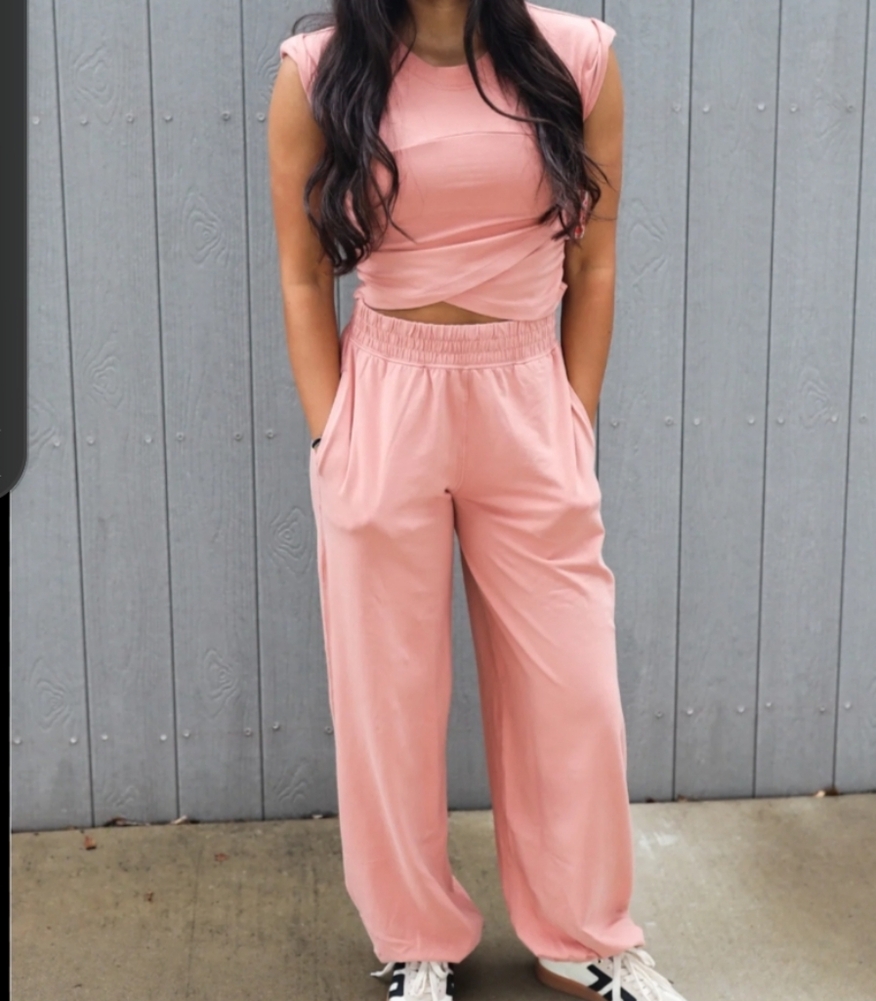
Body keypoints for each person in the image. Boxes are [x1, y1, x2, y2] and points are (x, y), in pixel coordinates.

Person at [269, 2, 688, 999]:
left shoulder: (577, 58)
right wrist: (333, 436)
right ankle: (414, 935)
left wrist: (571, 417)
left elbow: (594, 257)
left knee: (571, 684)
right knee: (387, 693)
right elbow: (302, 273)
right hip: (388, 397)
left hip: (525, 393)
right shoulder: (318, 71)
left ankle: (583, 934)